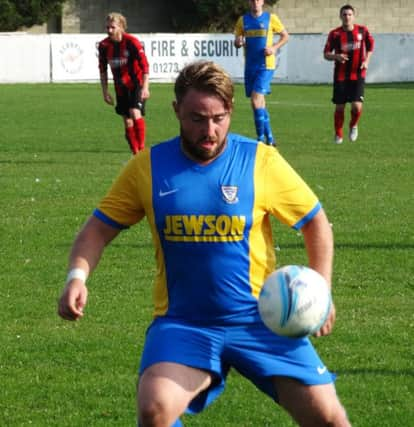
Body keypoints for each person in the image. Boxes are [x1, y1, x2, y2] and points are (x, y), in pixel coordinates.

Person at [58, 60, 351, 427]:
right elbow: (97, 230)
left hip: (262, 321)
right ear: (176, 110)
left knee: (330, 418)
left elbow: (316, 223)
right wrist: (76, 276)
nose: (209, 131)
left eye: (219, 117)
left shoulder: (260, 161)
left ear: (230, 111)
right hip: (184, 323)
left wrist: (321, 288)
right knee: (154, 408)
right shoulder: (148, 167)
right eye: (197, 118)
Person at [234, 0, 289, 147]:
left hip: (266, 65)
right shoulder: (243, 20)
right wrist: (238, 42)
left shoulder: (271, 18)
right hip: (250, 66)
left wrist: (274, 47)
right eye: (252, 0)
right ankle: (270, 139)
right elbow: (237, 41)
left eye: (257, 0)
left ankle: (259, 139)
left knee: (255, 100)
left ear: (262, 2)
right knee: (259, 104)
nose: (255, 3)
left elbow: (285, 36)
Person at [98, 12, 150, 155]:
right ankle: (135, 153)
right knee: (127, 122)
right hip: (120, 87)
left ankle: (142, 149)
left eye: (112, 27)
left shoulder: (132, 42)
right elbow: (102, 70)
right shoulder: (104, 45)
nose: (109, 31)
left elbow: (145, 66)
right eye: (107, 27)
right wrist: (105, 92)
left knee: (134, 112)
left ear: (121, 27)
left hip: (136, 84)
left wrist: (145, 88)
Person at [324, 4, 374, 144]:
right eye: (344, 14)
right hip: (341, 75)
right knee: (340, 106)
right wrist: (337, 57)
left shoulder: (362, 31)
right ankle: (338, 133)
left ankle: (353, 125)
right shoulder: (335, 34)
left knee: (357, 106)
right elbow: (326, 54)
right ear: (340, 16)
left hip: (358, 74)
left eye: (349, 14)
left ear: (354, 16)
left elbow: (371, 46)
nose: (347, 17)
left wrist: (367, 61)